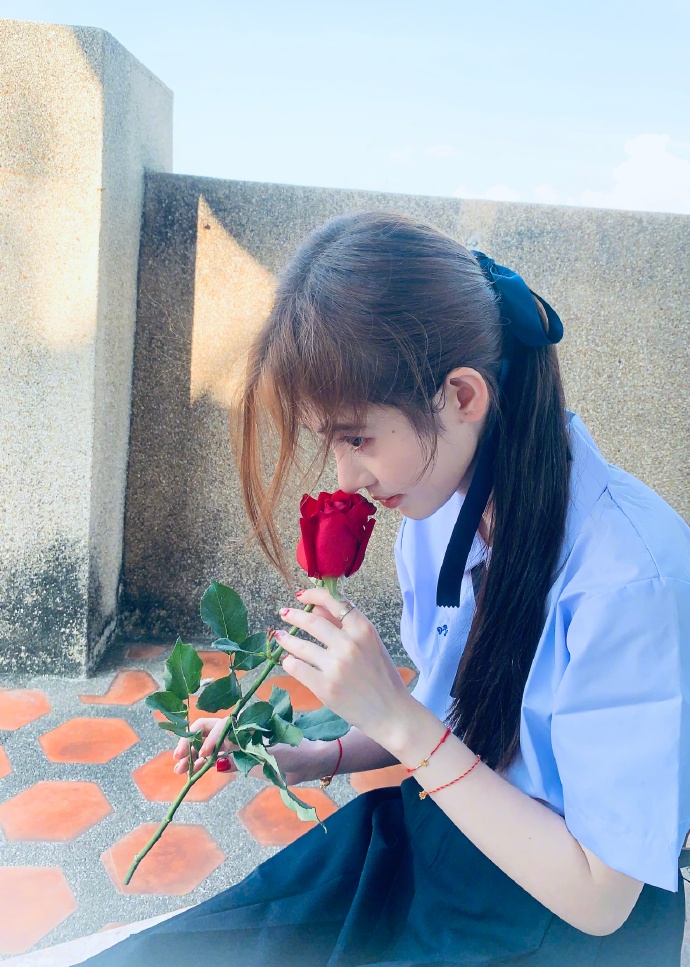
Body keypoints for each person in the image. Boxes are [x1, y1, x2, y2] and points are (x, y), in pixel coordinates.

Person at [83, 212, 690, 966]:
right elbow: (458, 720)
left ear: (462, 396)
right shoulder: (439, 515)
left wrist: (395, 717)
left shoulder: (630, 579)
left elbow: (602, 898)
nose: (346, 479)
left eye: (357, 438)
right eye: (331, 442)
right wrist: (319, 752)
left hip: (558, 921)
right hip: (449, 837)